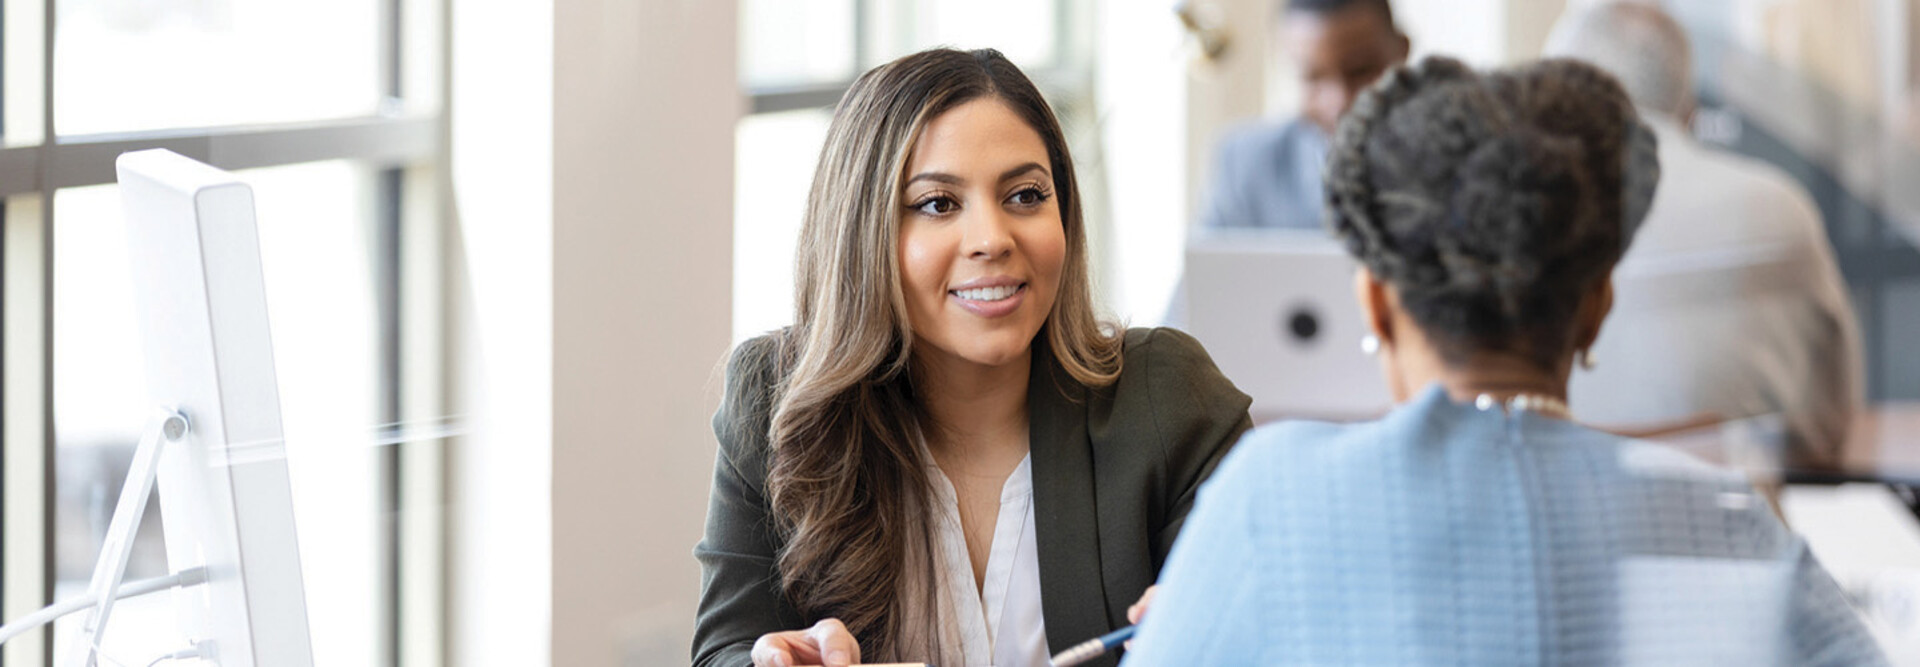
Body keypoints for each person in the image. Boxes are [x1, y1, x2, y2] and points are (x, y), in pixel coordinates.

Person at [1123, 56, 1886, 665]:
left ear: (1376, 305)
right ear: (1597, 307)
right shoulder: (1728, 523)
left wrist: (1193, 608)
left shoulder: (1268, 503)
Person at [692, 48, 1253, 667]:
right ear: (862, 231)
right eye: (938, 204)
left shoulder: (1165, 394)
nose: (992, 239)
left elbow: (1277, 619)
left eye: (1026, 195)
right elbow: (725, 650)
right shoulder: (774, 398)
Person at [1543, 1, 1863, 469]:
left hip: (1556, 504)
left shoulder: (1519, 222)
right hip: (1743, 506)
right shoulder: (1778, 207)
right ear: (1691, 107)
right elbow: (1829, 427)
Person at [1167, 0, 1409, 323]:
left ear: (1401, 52)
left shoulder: (1456, 162)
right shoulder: (1245, 163)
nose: (1339, 101)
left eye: (1361, 71)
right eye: (1312, 77)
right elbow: (1189, 315)